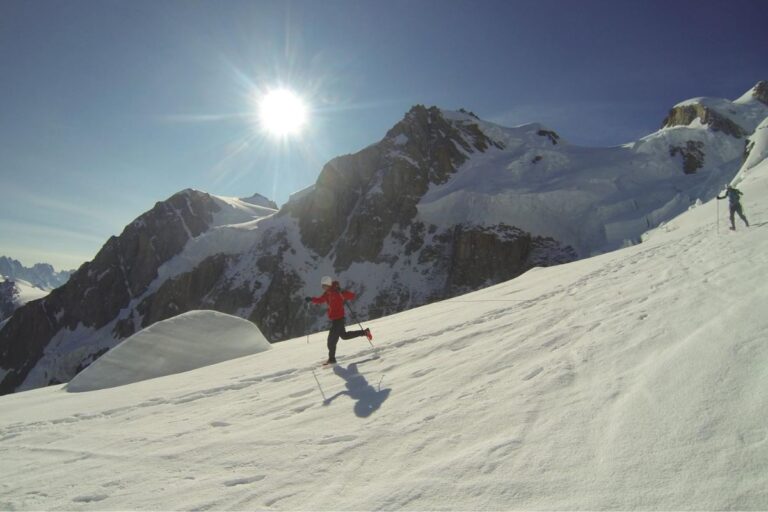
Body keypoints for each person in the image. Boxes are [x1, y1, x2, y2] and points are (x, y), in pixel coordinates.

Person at [306, 276, 372, 365]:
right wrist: (311, 299)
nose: (323, 288)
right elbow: (321, 300)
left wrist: (342, 292)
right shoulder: (327, 293)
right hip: (335, 319)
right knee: (344, 336)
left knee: (331, 341)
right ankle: (365, 332)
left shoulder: (337, 292)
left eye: (324, 286)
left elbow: (352, 296)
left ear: (328, 285)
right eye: (322, 286)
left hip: (339, 319)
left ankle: (332, 359)